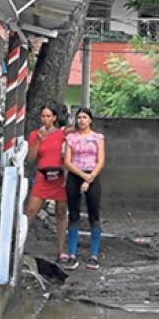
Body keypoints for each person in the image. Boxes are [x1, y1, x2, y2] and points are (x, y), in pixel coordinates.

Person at [24, 105, 70, 262]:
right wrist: (37, 141)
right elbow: (30, 159)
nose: (45, 119)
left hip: (59, 177)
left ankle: (61, 249)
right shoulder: (35, 134)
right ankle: (19, 245)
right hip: (43, 176)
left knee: (61, 212)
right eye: (43, 116)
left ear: (54, 118)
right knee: (30, 210)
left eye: (49, 116)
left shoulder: (62, 134)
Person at [62, 107, 105, 270]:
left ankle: (94, 255)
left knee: (94, 215)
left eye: (84, 117)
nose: (81, 120)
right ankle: (72, 254)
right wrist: (82, 176)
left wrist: (90, 178)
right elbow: (67, 161)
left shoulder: (98, 138)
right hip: (75, 175)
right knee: (73, 214)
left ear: (90, 120)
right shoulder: (71, 138)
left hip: (92, 175)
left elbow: (100, 161)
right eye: (79, 117)